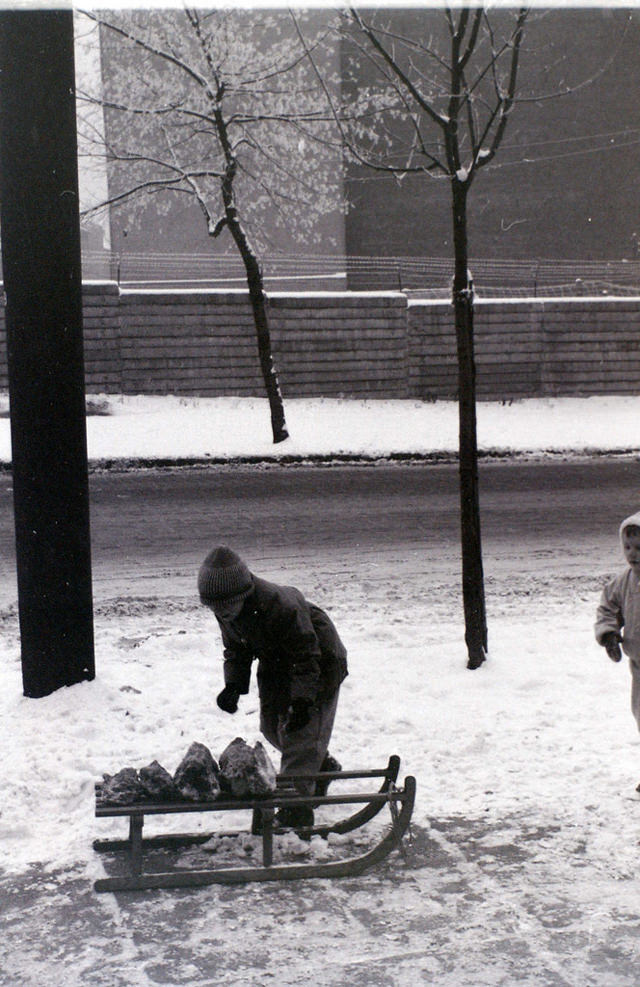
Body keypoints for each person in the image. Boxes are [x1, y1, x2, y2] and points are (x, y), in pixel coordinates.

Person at [198, 545, 348, 829]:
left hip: (318, 660)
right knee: (271, 726)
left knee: (300, 735)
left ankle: (295, 812)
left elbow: (307, 656)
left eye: (225, 606)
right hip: (276, 660)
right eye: (214, 607)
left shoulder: (282, 605)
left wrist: (303, 701)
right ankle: (321, 766)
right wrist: (233, 685)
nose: (220, 613)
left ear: (242, 594)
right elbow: (236, 650)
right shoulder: (226, 608)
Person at [595, 511, 640, 777]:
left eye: (639, 548)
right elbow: (607, 607)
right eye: (627, 547)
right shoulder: (623, 582)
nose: (632, 554)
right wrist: (609, 634)